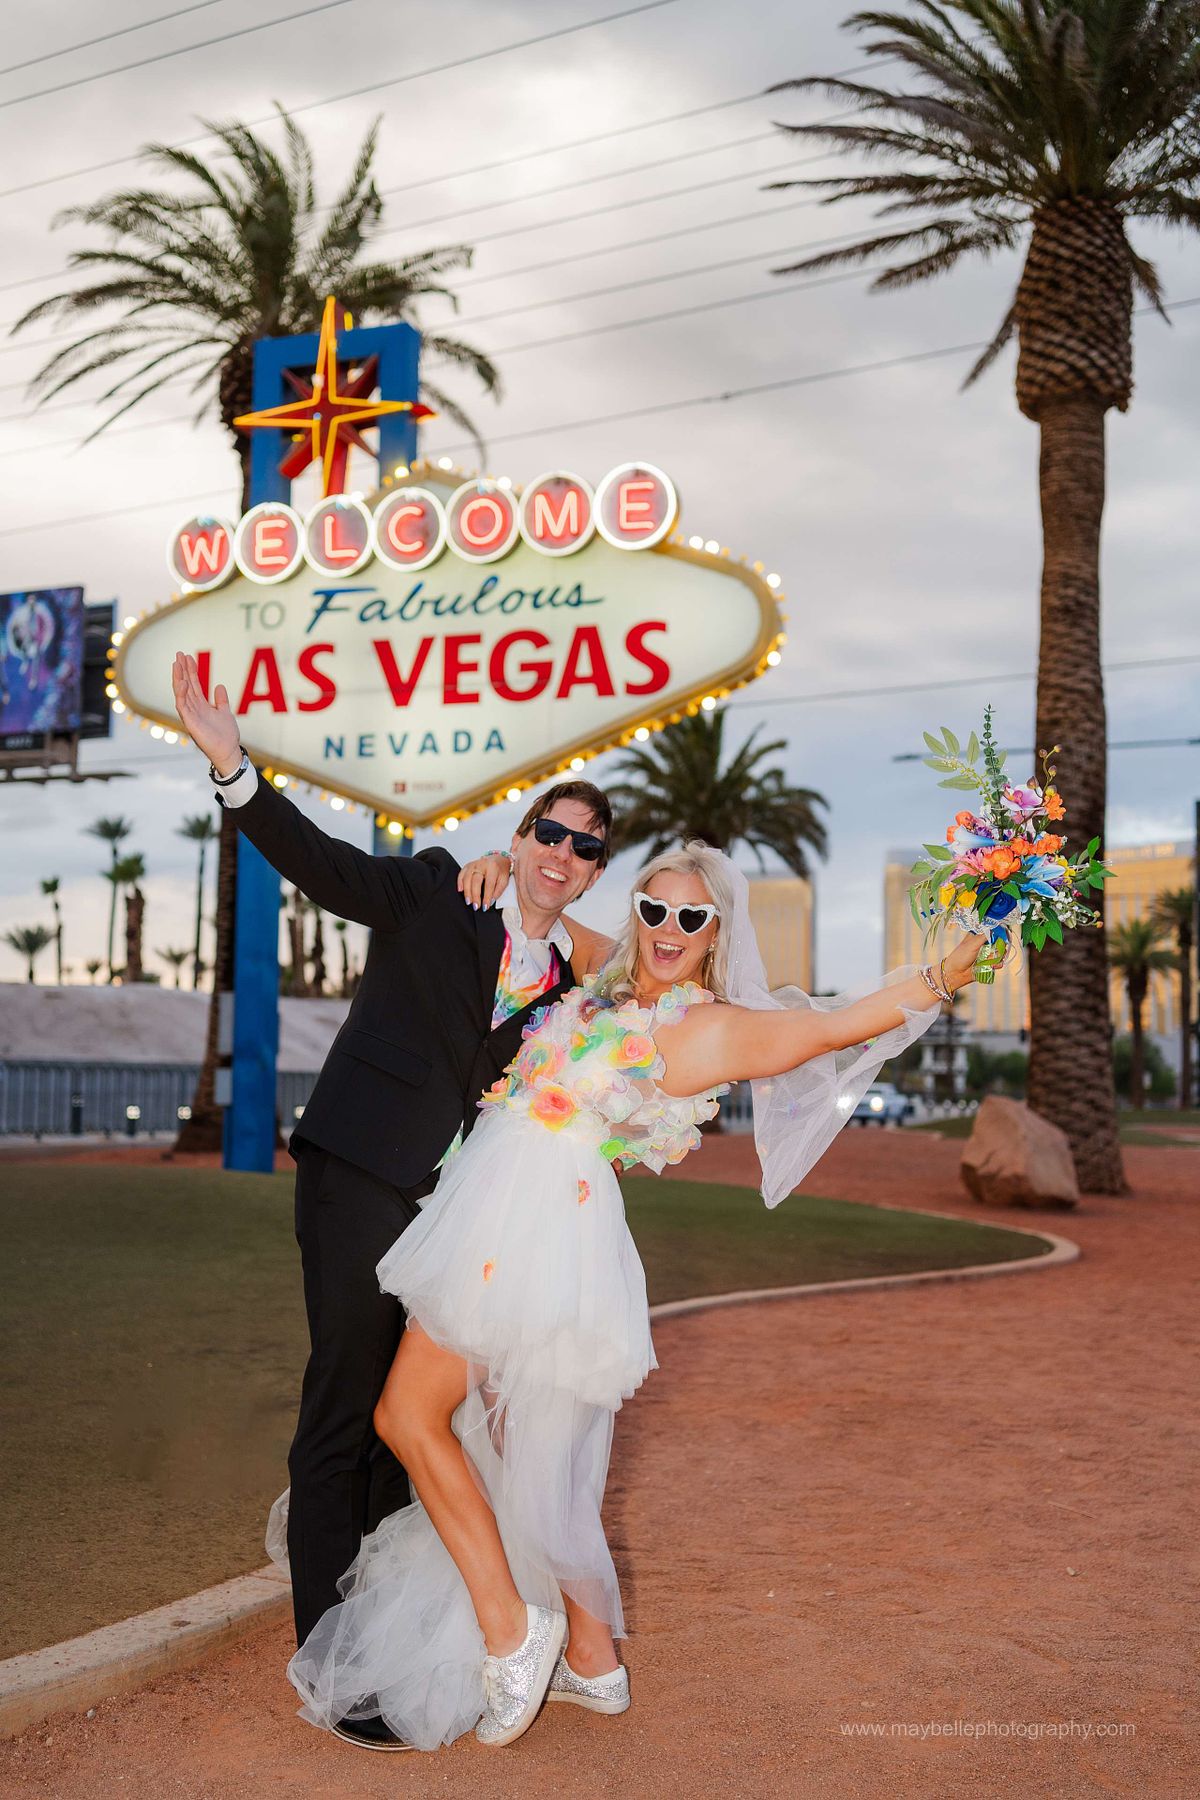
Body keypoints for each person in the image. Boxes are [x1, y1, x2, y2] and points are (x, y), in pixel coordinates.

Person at [277, 838, 997, 1751]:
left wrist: (942, 972)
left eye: (690, 917)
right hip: (508, 1219)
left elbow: (834, 1027)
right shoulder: (604, 977)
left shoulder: (713, 1028)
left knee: (408, 1418)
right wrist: (498, 859)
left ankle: (511, 1628)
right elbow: (539, 905)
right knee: (523, 1442)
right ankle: (593, 1659)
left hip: (531, 1232)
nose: (667, 929)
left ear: (715, 932)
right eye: (653, 909)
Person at [169, 651, 612, 1752]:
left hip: (457, 1221)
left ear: (596, 872)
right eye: (549, 833)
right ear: (520, 844)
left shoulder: (570, 994)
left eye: (586, 847)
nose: (562, 854)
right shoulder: (432, 890)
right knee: (341, 1403)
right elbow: (320, 866)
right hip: (361, 1176)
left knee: (402, 1424)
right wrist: (233, 767)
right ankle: (329, 1662)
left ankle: (372, 1628)